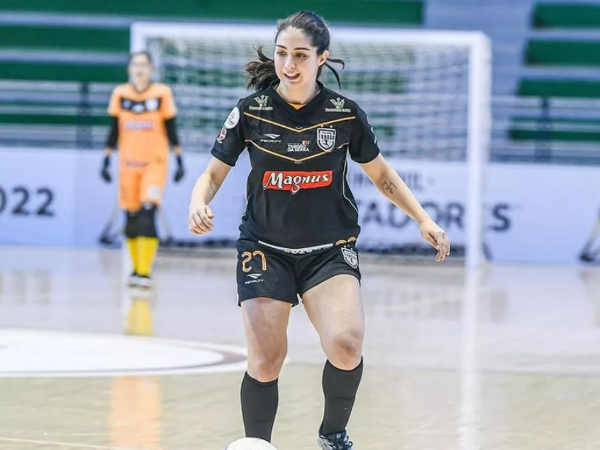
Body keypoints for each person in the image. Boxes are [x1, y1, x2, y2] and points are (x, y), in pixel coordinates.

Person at [188, 11, 450, 449]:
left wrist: (423, 218)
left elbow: (382, 175)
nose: (289, 64)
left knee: (346, 345)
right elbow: (212, 175)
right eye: (282, 54)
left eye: (300, 55)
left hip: (328, 250)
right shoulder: (250, 111)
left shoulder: (343, 114)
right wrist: (198, 201)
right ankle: (258, 445)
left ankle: (332, 434)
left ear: (321, 58)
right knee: (266, 360)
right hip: (265, 248)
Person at [102, 51, 185, 288]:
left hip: (154, 164)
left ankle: (145, 272)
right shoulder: (120, 94)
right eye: (135, 65)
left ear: (151, 69)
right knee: (131, 217)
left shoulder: (162, 93)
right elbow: (114, 129)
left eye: (143, 65)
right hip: (128, 165)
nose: (139, 69)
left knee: (148, 213)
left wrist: (179, 159)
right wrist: (106, 159)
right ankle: (135, 269)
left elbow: (171, 128)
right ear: (130, 69)